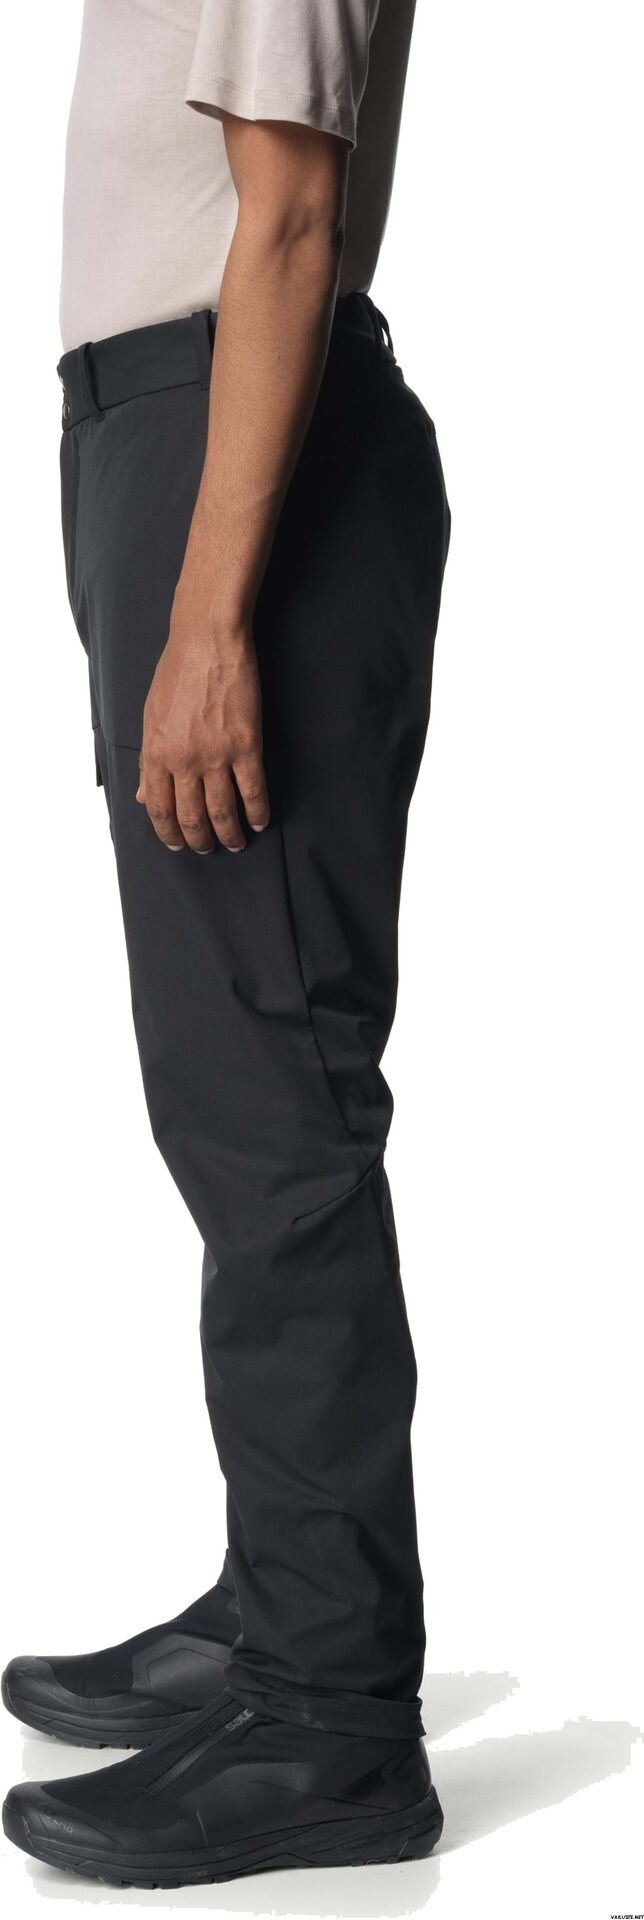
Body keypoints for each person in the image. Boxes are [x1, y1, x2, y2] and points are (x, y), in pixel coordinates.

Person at [2, 0, 451, 1888]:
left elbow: (291, 215)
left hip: (236, 447)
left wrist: (205, 623)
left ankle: (331, 1707)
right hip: (172, 429)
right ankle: (286, 1596)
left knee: (273, 1107)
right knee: (231, 1092)